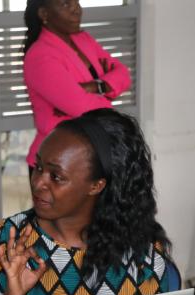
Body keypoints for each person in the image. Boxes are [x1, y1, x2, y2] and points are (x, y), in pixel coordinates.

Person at [0, 108, 173, 295]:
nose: (38, 183)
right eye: (38, 167)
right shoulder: (15, 238)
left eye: (56, 176)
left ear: (96, 185)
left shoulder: (141, 248)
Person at [22, 0, 132, 171]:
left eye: (76, 1)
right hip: (58, 160)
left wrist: (96, 87)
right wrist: (108, 92)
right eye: (66, 4)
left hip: (90, 154)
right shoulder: (41, 55)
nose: (76, 9)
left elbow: (123, 74)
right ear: (44, 14)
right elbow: (83, 108)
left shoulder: (83, 40)